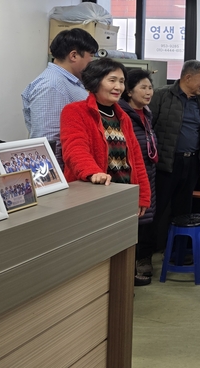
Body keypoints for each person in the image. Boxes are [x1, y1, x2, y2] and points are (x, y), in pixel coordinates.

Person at [59, 59, 151, 283]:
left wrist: (143, 195)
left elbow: (136, 160)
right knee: (93, 254)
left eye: (121, 81)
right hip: (93, 196)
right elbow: (74, 148)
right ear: (95, 82)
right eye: (112, 80)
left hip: (122, 196)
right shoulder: (75, 111)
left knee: (121, 249)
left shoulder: (123, 117)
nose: (118, 87)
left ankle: (121, 291)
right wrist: (93, 172)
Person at [149, 59, 200, 230]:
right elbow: (148, 128)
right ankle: (148, 247)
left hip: (191, 163)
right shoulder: (161, 95)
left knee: (183, 211)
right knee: (157, 209)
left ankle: (178, 246)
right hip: (166, 164)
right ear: (188, 77)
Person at [21, 28, 98, 166]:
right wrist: (56, 176)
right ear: (74, 56)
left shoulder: (69, 82)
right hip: (63, 171)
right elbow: (49, 141)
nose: (92, 61)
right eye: (90, 56)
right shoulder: (52, 85)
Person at [119, 69, 159, 283]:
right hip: (130, 176)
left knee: (147, 221)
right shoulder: (122, 114)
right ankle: (128, 270)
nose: (148, 92)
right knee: (133, 221)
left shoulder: (147, 114)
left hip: (148, 172)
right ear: (129, 91)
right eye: (143, 87)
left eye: (150, 87)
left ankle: (142, 262)